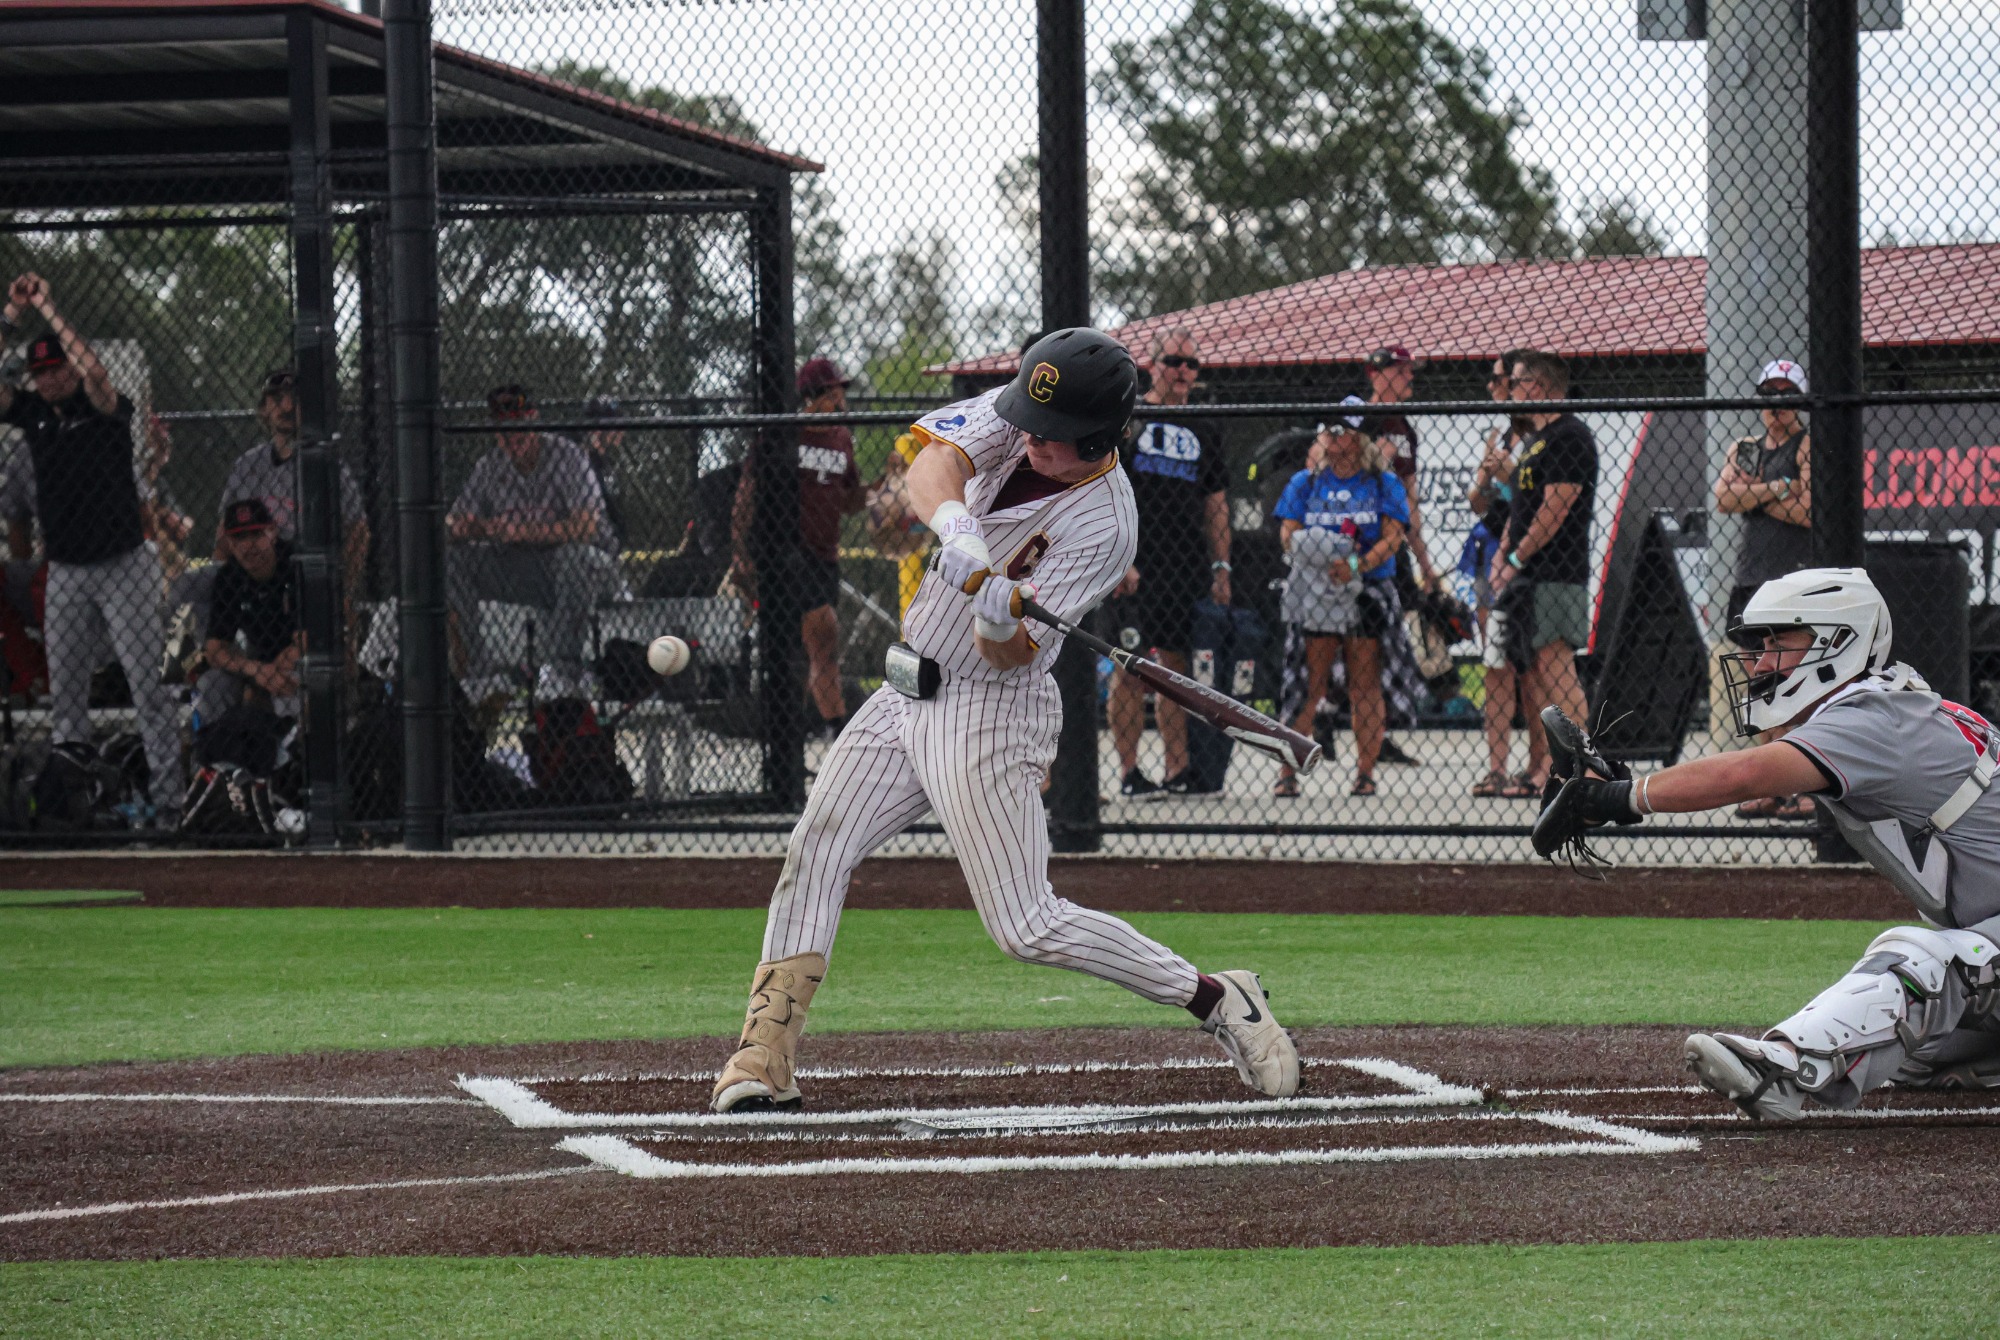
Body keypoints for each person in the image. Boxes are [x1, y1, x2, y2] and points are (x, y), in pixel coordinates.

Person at [708, 328, 1300, 1114]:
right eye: (1028, 419)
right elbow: (932, 466)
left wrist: (995, 617)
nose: (1029, 437)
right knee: (816, 846)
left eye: (1052, 435)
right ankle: (764, 1055)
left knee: (1025, 925)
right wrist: (959, 529)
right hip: (905, 689)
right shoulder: (1023, 411)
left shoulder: (1106, 524)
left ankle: (1218, 998)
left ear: (1098, 438)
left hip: (987, 710)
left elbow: (1013, 654)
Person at [1534, 568, 2000, 1117]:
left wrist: (1617, 797)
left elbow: (1746, 774)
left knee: (1924, 961)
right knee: (1909, 1049)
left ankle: (1786, 1067)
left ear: (1840, 641)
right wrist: (1619, 787)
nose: (1759, 664)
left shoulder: (1874, 719)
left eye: (1779, 643)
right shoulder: (1885, 709)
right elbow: (1753, 764)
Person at [0, 273, 184, 823]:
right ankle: (73, 803)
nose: (50, 378)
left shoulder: (104, 406)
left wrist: (48, 308)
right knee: (67, 696)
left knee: (146, 683)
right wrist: (11, 313)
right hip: (66, 570)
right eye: (40, 372)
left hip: (123, 563)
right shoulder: (33, 414)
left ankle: (171, 803)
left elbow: (97, 373)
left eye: (57, 368)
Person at [1109, 328, 1231, 797]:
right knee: (1129, 666)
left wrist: (1222, 568)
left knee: (1175, 671)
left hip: (1185, 564)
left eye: (1190, 364)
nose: (1182, 371)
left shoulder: (1205, 425)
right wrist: (1120, 558)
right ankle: (1129, 773)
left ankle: (1177, 770)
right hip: (1135, 564)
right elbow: (1105, 489)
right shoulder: (1130, 417)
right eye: (1174, 361)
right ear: (1153, 365)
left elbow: (1216, 503)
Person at [446, 384, 621, 697]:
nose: (512, 436)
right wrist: (482, 528)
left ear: (534, 420)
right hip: (527, 571)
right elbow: (454, 522)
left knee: (575, 557)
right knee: (453, 559)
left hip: (590, 570)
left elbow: (586, 527)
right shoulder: (490, 466)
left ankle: (563, 673)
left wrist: (522, 531)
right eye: (503, 428)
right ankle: (480, 676)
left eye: (519, 425)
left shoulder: (567, 456)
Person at [1271, 398, 1407, 798]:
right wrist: (1316, 551)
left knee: (1364, 683)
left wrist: (1357, 565)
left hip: (1364, 588)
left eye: (1341, 430)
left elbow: (1393, 537)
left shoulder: (1382, 483)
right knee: (1308, 684)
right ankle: (1288, 771)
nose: (1331, 438)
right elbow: (1287, 533)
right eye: (1327, 430)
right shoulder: (1306, 482)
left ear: (1359, 437)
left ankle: (1365, 772)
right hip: (1318, 590)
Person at [731, 357, 863, 739]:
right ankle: (835, 729)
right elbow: (747, 493)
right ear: (812, 397)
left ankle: (816, 729)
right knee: (822, 633)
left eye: (841, 395)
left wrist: (884, 490)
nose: (840, 403)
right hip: (786, 551)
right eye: (833, 395)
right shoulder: (782, 434)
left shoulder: (841, 437)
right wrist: (740, 551)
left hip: (825, 555)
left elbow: (850, 500)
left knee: (812, 651)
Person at [1490, 350, 1596, 791]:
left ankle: (1585, 767)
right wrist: (1503, 556)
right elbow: (1521, 508)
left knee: (1557, 668)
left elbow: (1555, 509)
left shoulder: (1569, 436)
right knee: (1537, 673)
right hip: (1530, 574)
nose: (1511, 391)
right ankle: (1551, 766)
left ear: (1536, 386)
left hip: (1556, 572)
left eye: (1516, 382)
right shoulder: (1535, 439)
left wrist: (1516, 559)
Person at [1715, 358, 1816, 821]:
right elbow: (1723, 498)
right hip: (1751, 576)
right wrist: (1780, 487)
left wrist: (1753, 494)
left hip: (1791, 576)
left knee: (1797, 681)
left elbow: (1808, 511)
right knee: (1756, 680)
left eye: (1786, 394)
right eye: (1770, 394)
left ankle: (1806, 784)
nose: (1777, 403)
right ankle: (1775, 784)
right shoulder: (1745, 447)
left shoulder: (1807, 444)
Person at [214, 369, 369, 624]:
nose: (287, 407)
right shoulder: (247, 465)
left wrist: (344, 589)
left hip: (308, 573)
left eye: (295, 400)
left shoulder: (328, 465)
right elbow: (224, 533)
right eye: (277, 400)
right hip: (257, 573)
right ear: (264, 410)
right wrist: (220, 582)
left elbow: (359, 529)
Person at [1362, 344, 1440, 769]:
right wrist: (1374, 458)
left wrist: (1425, 564)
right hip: (1357, 542)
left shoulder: (1404, 428)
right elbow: (1321, 463)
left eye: (1411, 371)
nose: (1410, 377)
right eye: (1402, 370)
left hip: (1392, 546)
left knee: (1389, 638)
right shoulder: (1358, 417)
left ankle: (1380, 731)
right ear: (1377, 374)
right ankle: (1328, 717)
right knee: (1344, 642)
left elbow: (1410, 501)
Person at [1468, 349, 1541, 799]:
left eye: (1500, 380)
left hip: (1526, 562)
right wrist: (1485, 476)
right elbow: (1478, 503)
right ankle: (1497, 767)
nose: (1494, 388)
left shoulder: (1540, 437)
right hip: (1491, 554)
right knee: (1495, 665)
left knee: (1532, 669)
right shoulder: (1502, 435)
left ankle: (1538, 764)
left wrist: (1510, 473)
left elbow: (1538, 498)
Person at [198, 498, 300, 725]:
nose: (248, 545)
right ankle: (216, 743)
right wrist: (257, 670)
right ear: (229, 543)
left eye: (256, 534)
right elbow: (214, 650)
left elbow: (308, 638)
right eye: (239, 538)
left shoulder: (296, 563)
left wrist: (276, 670)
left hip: (297, 658)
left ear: (272, 532)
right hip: (257, 662)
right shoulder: (229, 577)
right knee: (212, 683)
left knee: (290, 684)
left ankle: (298, 742)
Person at [580, 396, 629, 556]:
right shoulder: (581, 460)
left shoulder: (605, 463)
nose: (621, 431)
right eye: (615, 425)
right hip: (592, 547)